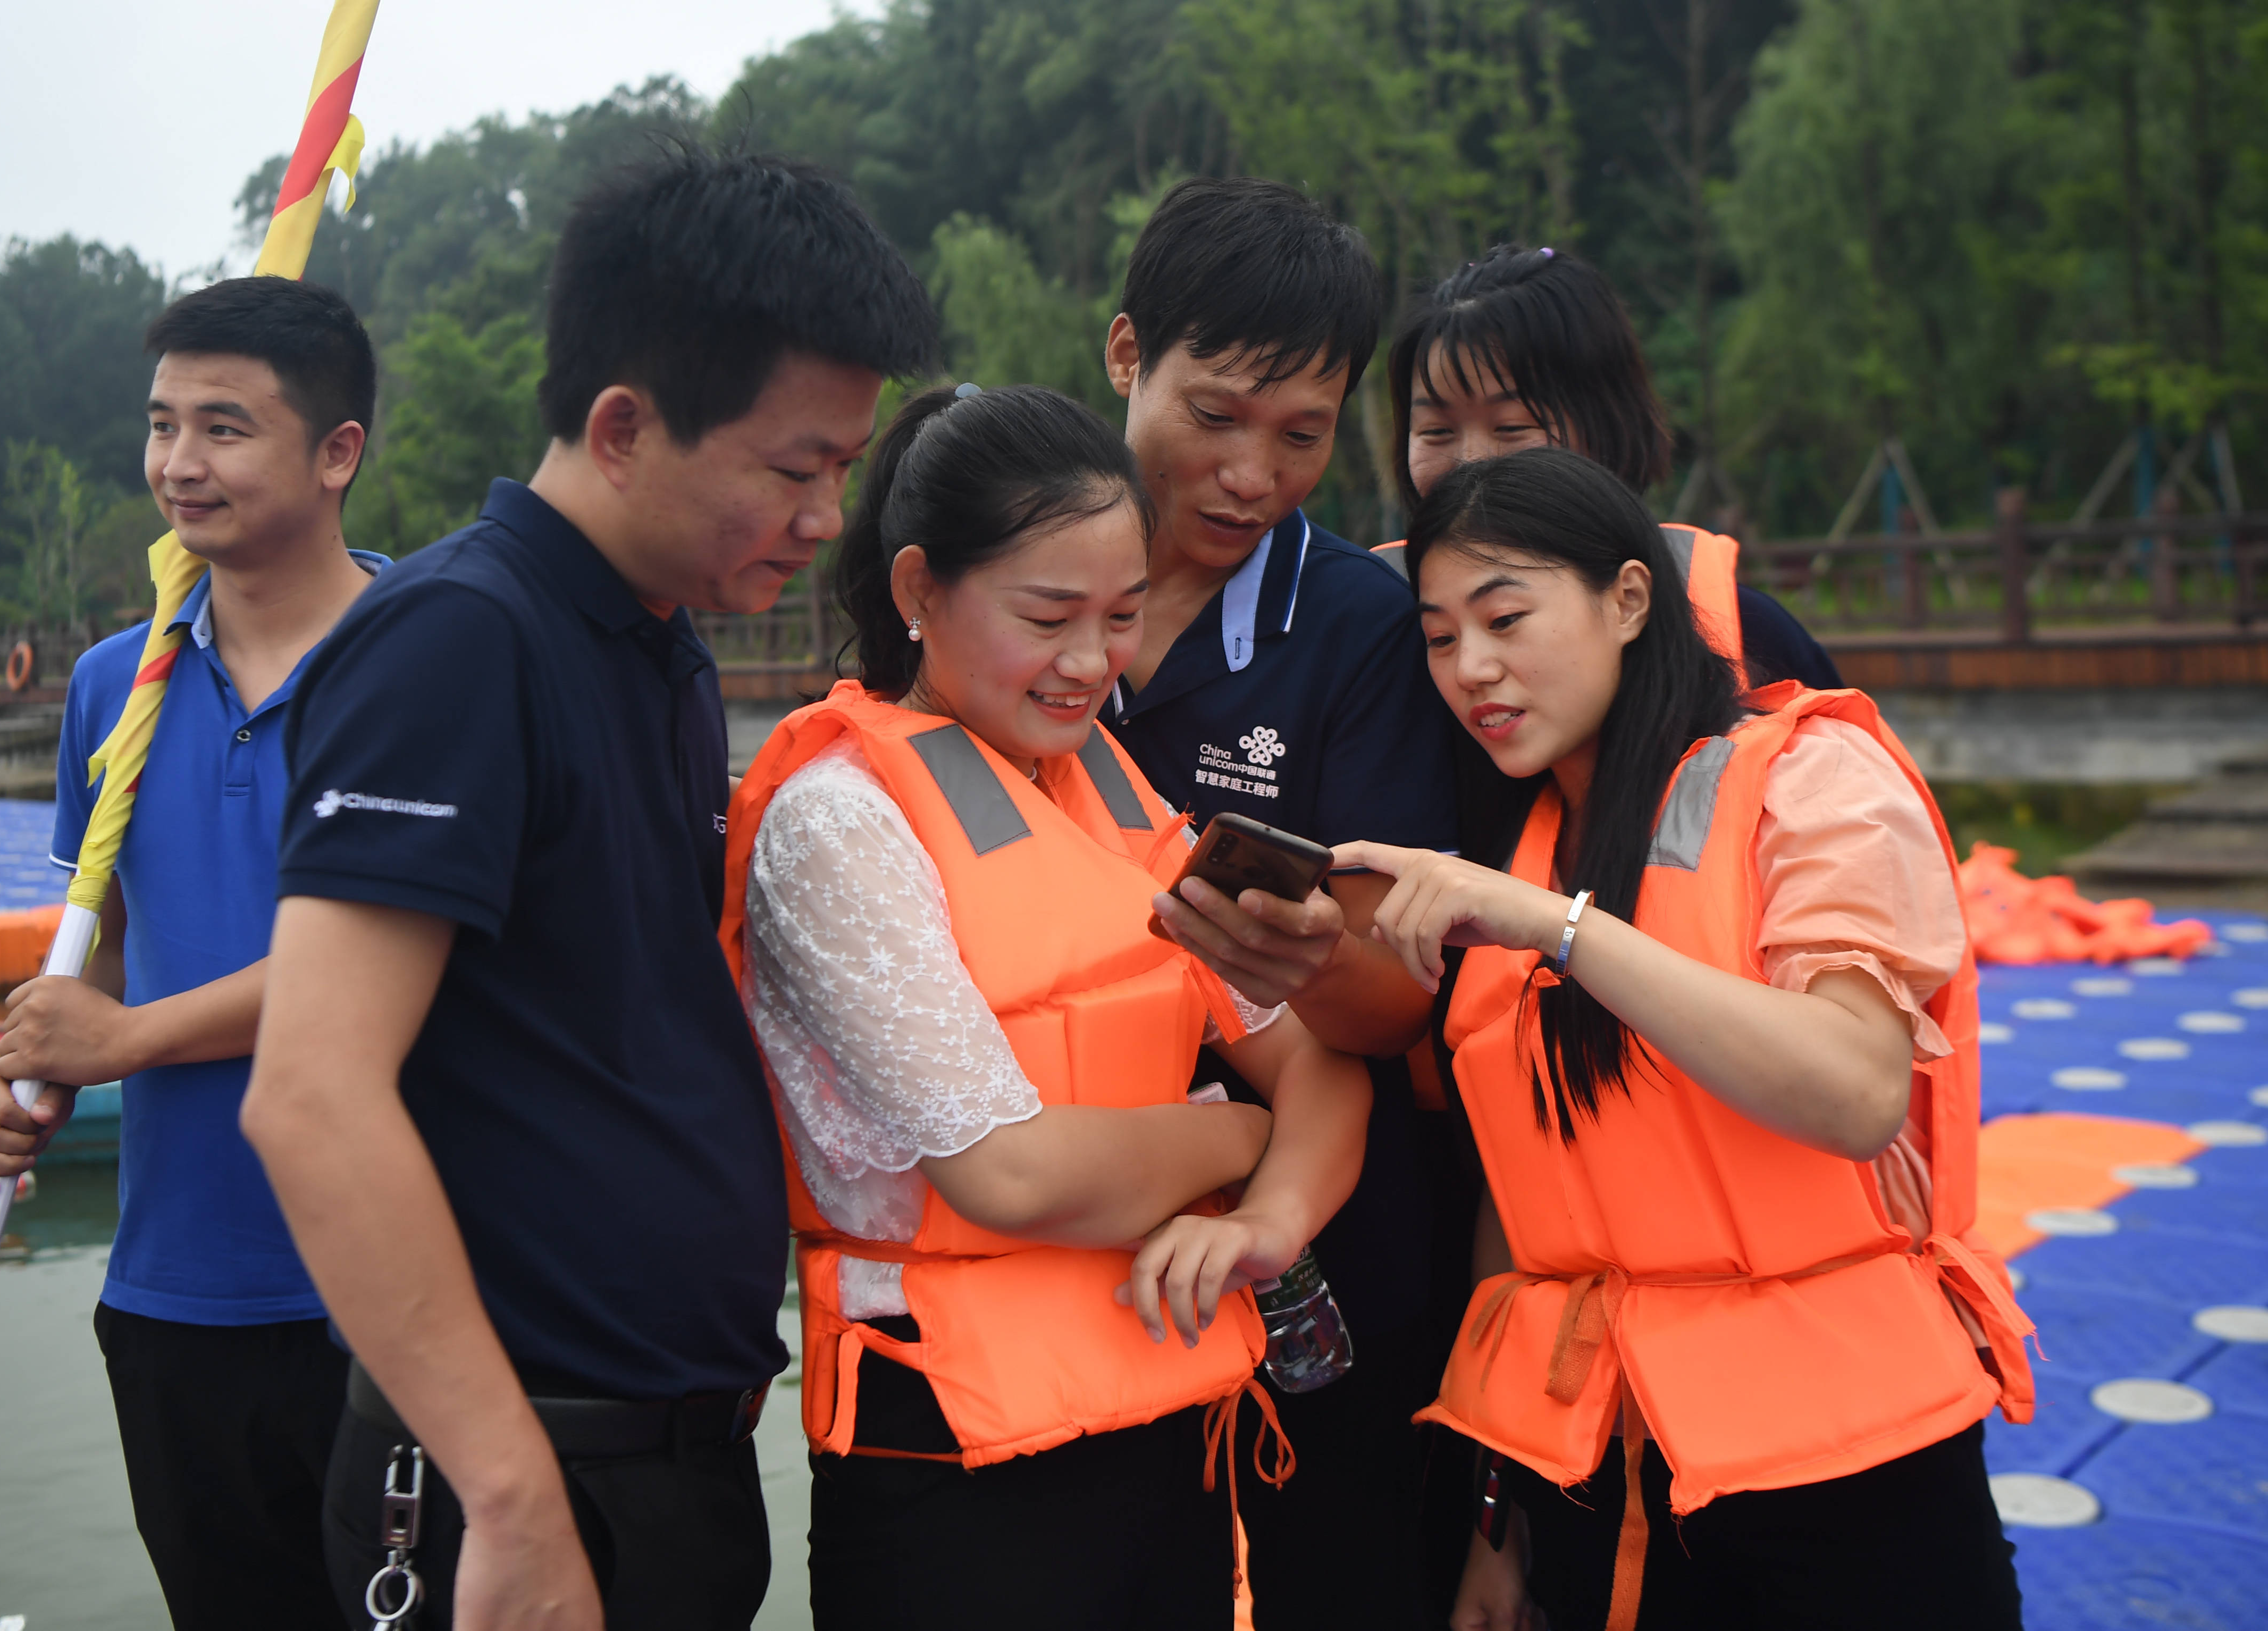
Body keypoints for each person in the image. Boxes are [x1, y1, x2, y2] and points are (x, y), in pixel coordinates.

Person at [239, 152, 938, 1631]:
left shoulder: (659, 643)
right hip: (524, 1477)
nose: (828, 514)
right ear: (624, 426)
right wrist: (508, 1494)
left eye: (845, 468)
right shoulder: (458, 641)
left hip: (665, 1450)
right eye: (794, 466)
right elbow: (311, 1093)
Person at [1335, 448, 2032, 1631]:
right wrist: (1494, 1525)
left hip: (1843, 1458)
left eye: (1504, 618)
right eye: (1440, 636)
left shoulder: (1809, 778)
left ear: (1626, 598)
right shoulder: (1522, 851)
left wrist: (1557, 930)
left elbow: (1853, 1089)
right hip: (1600, 1467)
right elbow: (1523, 1216)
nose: (1472, 669)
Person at [724, 381, 1371, 1630]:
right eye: (1048, 616)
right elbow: (1008, 1174)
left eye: (1123, 617)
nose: (1092, 664)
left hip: (1168, 1419)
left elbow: (1327, 1060)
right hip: (955, 1461)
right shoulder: (837, 821)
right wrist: (1237, 1136)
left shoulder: (1108, 793)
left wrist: (1268, 1222)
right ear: (919, 591)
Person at [0, 276, 386, 1629]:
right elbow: (106, 943)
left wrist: (126, 1041)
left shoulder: (432, 660)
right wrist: (28, 1069)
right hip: (177, 1291)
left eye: (223, 427)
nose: (178, 465)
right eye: (161, 425)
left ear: (337, 452)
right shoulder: (111, 685)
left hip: (392, 1289)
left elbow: (397, 960)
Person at [1090, 175, 1483, 1627]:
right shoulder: (1029, 589)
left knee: (1342, 1576)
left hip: (1330, 1245)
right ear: (1128, 353)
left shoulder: (1366, 632)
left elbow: (1396, 1001)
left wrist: (1306, 958)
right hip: (1079, 1224)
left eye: (1303, 434)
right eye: (1218, 414)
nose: (1254, 472)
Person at [1383, 243, 1842, 696]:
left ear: (1611, 426)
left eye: (1512, 426)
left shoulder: (1754, 642)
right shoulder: (1370, 631)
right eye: (1437, 431)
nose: (1472, 464)